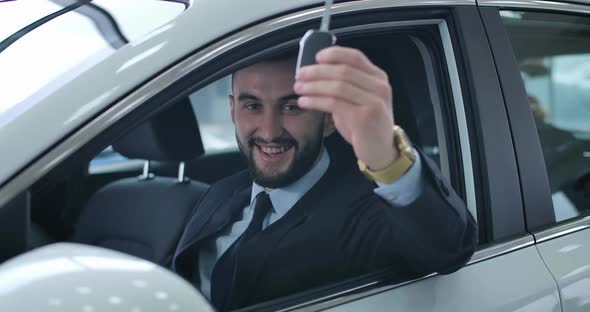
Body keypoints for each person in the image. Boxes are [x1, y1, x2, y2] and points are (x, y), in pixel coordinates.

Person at [173, 46, 478, 311]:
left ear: (329, 118)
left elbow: (446, 248)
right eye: (252, 105)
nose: (269, 131)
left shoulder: (369, 213)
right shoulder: (220, 192)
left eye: (292, 106)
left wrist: (386, 154)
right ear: (232, 111)